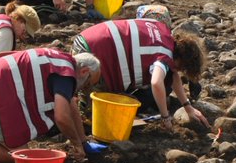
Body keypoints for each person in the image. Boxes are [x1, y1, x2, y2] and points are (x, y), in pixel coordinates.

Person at [73, 16, 210, 130]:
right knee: (97, 115)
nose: (180, 71)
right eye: (182, 69)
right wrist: (165, 116)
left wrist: (188, 107)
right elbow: (156, 83)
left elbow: (173, 76)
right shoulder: (164, 56)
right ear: (181, 60)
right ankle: (75, 112)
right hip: (94, 53)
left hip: (88, 37)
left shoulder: (164, 33)